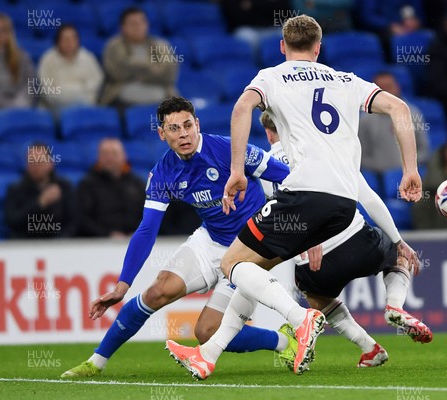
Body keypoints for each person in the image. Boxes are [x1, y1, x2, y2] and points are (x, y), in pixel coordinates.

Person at [165, 14, 422, 379]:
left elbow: (241, 108)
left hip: (304, 193)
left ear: (283, 47)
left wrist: (237, 171)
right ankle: (207, 354)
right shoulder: (346, 80)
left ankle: (301, 320)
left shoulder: (271, 76)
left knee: (232, 264)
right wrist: (410, 169)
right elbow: (399, 108)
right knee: (255, 269)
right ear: (318, 49)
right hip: (344, 205)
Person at [60, 97, 292, 378]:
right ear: (162, 133)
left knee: (206, 331)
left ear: (198, 124)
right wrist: (123, 285)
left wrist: (299, 226)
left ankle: (282, 341)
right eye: (173, 128)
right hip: (211, 240)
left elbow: (290, 176)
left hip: (249, 249)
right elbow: (147, 229)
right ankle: (96, 362)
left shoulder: (231, 150)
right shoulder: (163, 173)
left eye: (187, 125)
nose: (183, 134)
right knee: (157, 291)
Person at [261, 111, 432, 368]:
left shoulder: (265, 164)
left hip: (314, 261)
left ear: (268, 133)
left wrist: (306, 242)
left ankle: (368, 347)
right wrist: (398, 241)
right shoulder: (331, 151)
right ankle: (394, 305)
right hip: (356, 241)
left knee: (316, 297)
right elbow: (370, 199)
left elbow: (281, 215)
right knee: (398, 257)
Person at [100, 7, 178, 108]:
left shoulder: (160, 45)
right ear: (123, 27)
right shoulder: (114, 46)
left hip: (161, 95)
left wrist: (137, 72)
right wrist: (151, 69)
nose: (138, 26)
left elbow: (169, 73)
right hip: (123, 97)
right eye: (133, 23)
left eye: (142, 22)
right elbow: (118, 73)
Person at [359, 71, 429, 177]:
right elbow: (359, 155)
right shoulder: (365, 120)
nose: (387, 92)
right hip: (379, 177)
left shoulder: (413, 113)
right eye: (381, 89)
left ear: (397, 87)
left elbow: (424, 150)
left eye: (389, 86)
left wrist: (408, 166)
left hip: (411, 174)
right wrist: (384, 169)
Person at [76, 138, 145, 238]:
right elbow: (82, 219)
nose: (110, 158)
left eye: (114, 154)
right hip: (99, 244)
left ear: (124, 156)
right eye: (105, 154)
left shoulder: (137, 184)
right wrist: (107, 235)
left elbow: (148, 214)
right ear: (98, 157)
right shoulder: (87, 185)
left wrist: (138, 233)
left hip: (135, 240)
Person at [5, 143, 76, 238]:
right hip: (25, 245)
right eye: (32, 162)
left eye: (40, 161)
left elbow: (74, 221)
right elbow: (13, 221)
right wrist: (40, 203)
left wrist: (60, 242)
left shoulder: (64, 186)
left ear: (50, 163)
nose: (36, 166)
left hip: (59, 245)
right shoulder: (15, 189)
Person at [37, 24, 104, 112]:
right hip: (55, 108)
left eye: (73, 39)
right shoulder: (47, 60)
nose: (70, 42)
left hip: (84, 106)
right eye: (66, 39)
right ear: (58, 41)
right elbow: (46, 91)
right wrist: (74, 91)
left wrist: (77, 95)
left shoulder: (88, 57)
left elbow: (96, 85)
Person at [0, 13, 35, 108]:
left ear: (9, 33)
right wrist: (8, 105)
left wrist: (22, 101)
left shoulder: (22, 57)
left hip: (20, 105)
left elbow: (32, 83)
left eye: (3, 30)